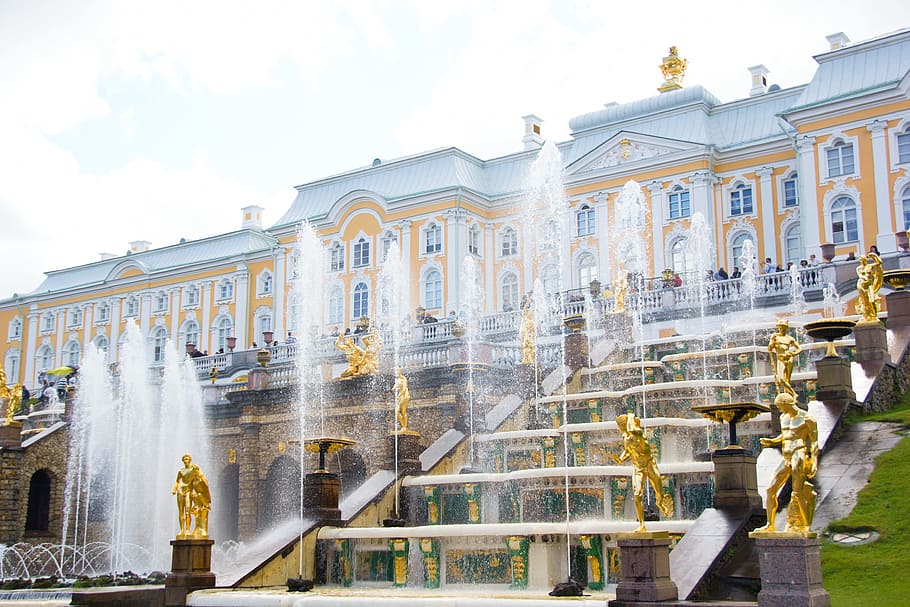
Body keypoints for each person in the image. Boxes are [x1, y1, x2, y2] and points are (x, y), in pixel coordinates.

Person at [753, 393, 819, 535]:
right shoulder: (783, 417)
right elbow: (785, 435)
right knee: (770, 490)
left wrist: (814, 461)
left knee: (797, 492)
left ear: (787, 403)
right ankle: (770, 524)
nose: (779, 409)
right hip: (786, 456)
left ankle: (806, 526)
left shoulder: (807, 419)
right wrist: (772, 441)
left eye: (780, 406)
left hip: (799, 454)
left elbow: (814, 442)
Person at [613, 413, 674, 532]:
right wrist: (620, 459)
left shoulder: (638, 432)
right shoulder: (625, 437)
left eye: (620, 424)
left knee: (659, 493)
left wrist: (630, 416)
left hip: (650, 465)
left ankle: (660, 504)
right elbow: (628, 451)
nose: (619, 427)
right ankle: (641, 525)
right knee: (637, 496)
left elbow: (631, 429)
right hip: (638, 468)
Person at [171, 453, 211, 539]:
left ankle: (188, 530)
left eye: (187, 459)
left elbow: (200, 477)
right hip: (180, 491)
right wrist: (174, 489)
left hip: (188, 491)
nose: (186, 460)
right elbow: (177, 481)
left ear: (190, 460)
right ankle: (182, 530)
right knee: (180, 511)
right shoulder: (181, 471)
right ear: (183, 460)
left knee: (187, 511)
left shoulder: (193, 470)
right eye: (185, 459)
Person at [767, 320, 802, 397]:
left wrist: (794, 353)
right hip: (780, 359)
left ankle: (788, 395)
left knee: (787, 380)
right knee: (781, 380)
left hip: (789, 358)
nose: (782, 329)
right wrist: (772, 340)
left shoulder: (790, 338)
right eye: (780, 328)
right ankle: (794, 394)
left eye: (783, 327)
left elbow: (799, 348)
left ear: (786, 328)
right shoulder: (775, 337)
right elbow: (769, 348)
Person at [855, 252, 883, 322]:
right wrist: (864, 278)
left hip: (869, 285)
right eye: (861, 260)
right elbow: (860, 276)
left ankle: (873, 315)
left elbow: (879, 262)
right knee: (864, 301)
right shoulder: (858, 268)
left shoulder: (870, 266)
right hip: (862, 285)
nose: (863, 261)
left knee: (872, 300)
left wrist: (874, 256)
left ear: (866, 260)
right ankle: (866, 316)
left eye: (864, 260)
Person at [393, 367, 411, 432]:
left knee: (403, 412)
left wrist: (399, 395)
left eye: (396, 371)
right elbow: (394, 388)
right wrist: (394, 389)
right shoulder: (397, 380)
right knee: (397, 412)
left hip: (405, 396)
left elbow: (404, 388)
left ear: (399, 372)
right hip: (400, 396)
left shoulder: (403, 378)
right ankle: (403, 426)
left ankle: (404, 427)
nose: (395, 373)